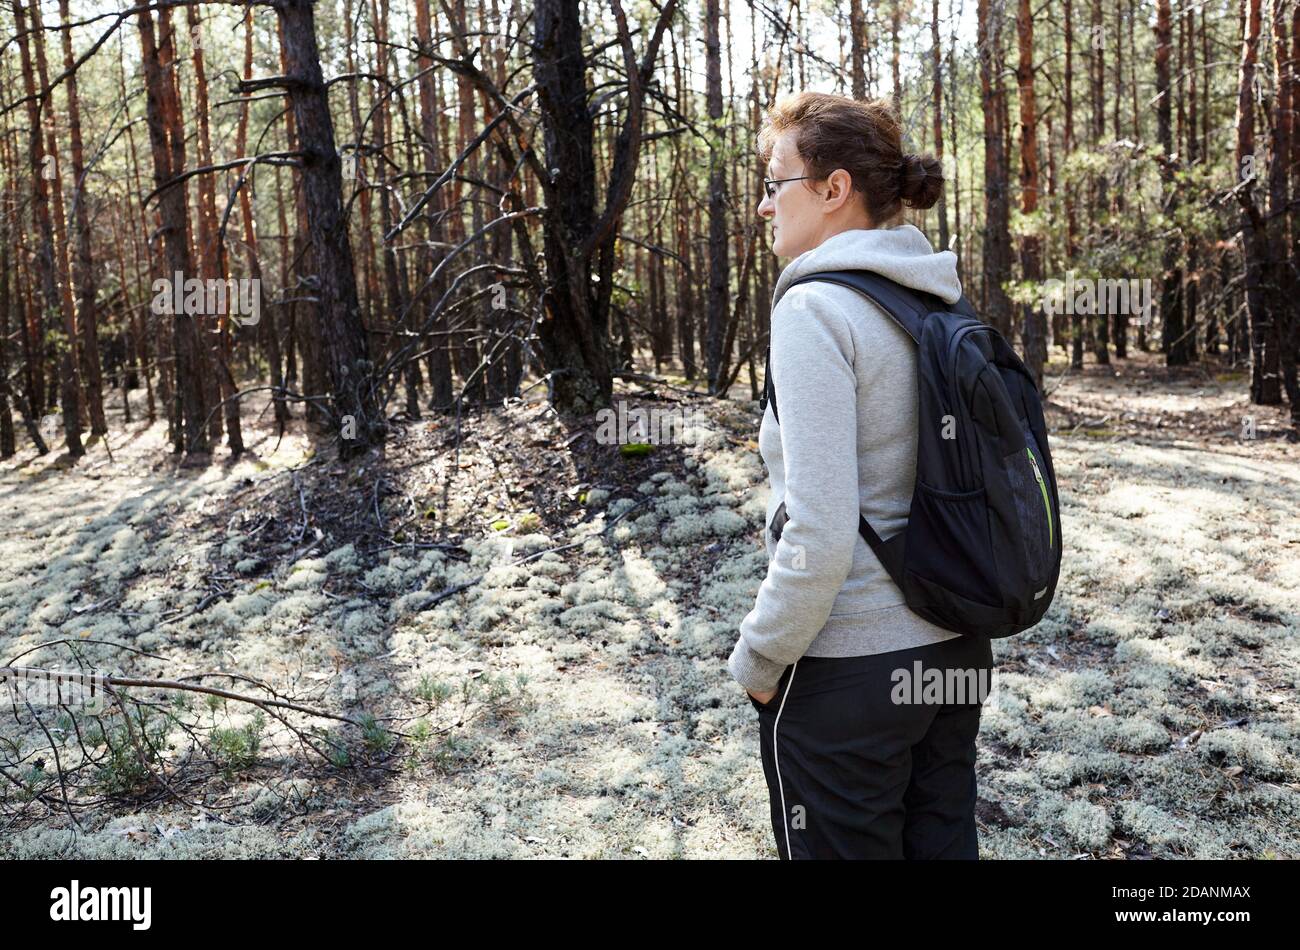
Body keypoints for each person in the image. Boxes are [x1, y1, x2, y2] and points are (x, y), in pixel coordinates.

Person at [728, 90, 995, 860]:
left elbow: (819, 525)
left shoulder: (817, 310)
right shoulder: (934, 296)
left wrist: (760, 656)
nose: (762, 204)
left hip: (853, 667)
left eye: (775, 182)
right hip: (953, 650)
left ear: (833, 188)